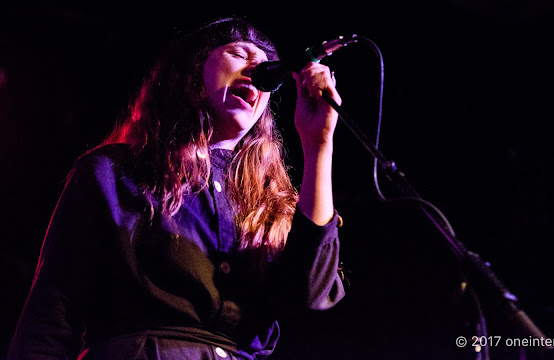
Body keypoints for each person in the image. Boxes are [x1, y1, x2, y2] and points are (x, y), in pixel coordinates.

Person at [8, 17, 345, 360]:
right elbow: (51, 315)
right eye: (240, 53)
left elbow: (310, 293)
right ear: (195, 68)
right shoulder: (115, 172)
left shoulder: (268, 203)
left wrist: (319, 145)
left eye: (264, 65)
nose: (257, 67)